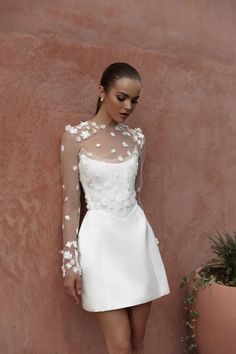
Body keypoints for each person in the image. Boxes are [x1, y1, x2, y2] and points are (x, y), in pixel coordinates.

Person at [59, 62, 170, 354]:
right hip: (99, 244)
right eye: (121, 97)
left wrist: (149, 243)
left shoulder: (137, 140)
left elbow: (136, 193)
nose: (128, 106)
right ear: (101, 91)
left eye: (134, 100)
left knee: (137, 340)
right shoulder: (75, 137)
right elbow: (71, 201)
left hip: (136, 241)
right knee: (120, 346)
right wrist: (70, 261)